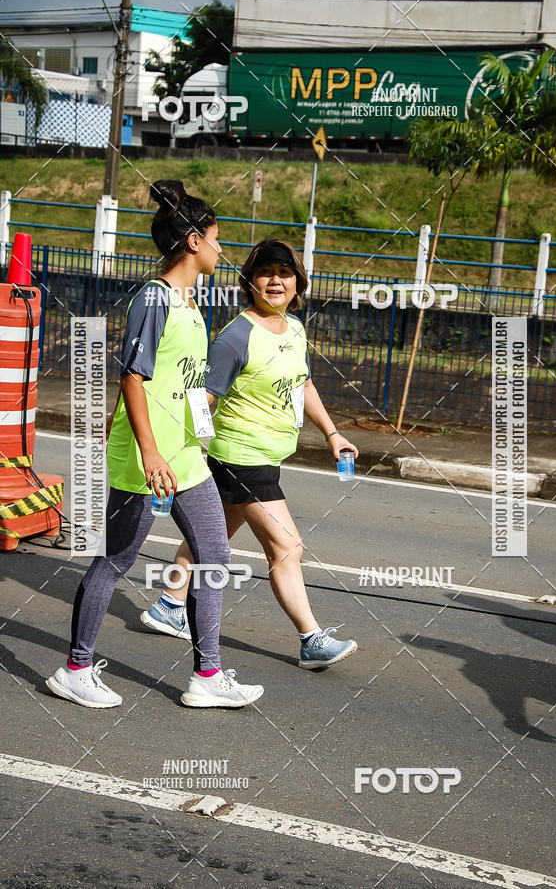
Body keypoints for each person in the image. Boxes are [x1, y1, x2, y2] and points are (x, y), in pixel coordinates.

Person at [46, 180, 264, 709]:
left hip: (186, 458)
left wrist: (201, 435)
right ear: (193, 240)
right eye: (215, 238)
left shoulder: (192, 304)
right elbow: (133, 377)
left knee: (213, 556)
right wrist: (145, 449)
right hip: (148, 459)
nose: (220, 248)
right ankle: (75, 667)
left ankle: (207, 676)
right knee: (114, 561)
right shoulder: (155, 297)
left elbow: (180, 381)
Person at [142, 238, 359, 670]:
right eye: (265, 272)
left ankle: (168, 604)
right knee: (286, 547)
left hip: (265, 455)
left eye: (285, 272)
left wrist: (332, 434)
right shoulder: (236, 335)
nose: (275, 279)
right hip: (242, 456)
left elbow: (302, 384)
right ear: (251, 282)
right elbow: (202, 399)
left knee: (213, 538)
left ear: (298, 282)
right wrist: (161, 445)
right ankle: (310, 638)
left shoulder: (294, 328)